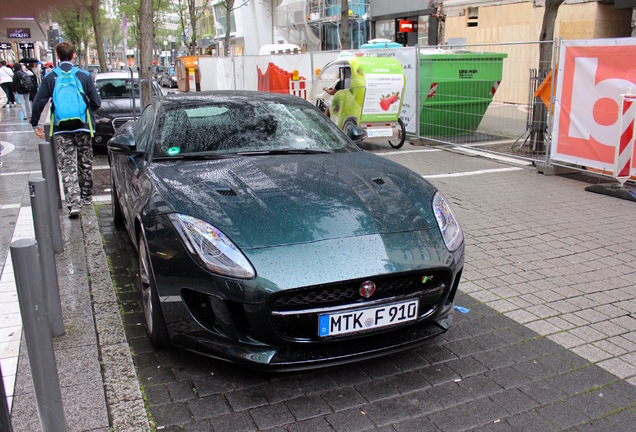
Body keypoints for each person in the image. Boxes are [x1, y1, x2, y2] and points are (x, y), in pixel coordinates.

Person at [31, 42, 101, 218]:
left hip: (61, 129)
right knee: (85, 162)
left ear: (56, 54)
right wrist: (85, 110)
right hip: (83, 127)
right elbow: (97, 102)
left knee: (67, 165)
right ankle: (86, 197)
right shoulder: (84, 76)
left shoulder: (51, 77)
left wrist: (35, 123)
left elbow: (39, 102)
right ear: (74, 55)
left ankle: (73, 203)